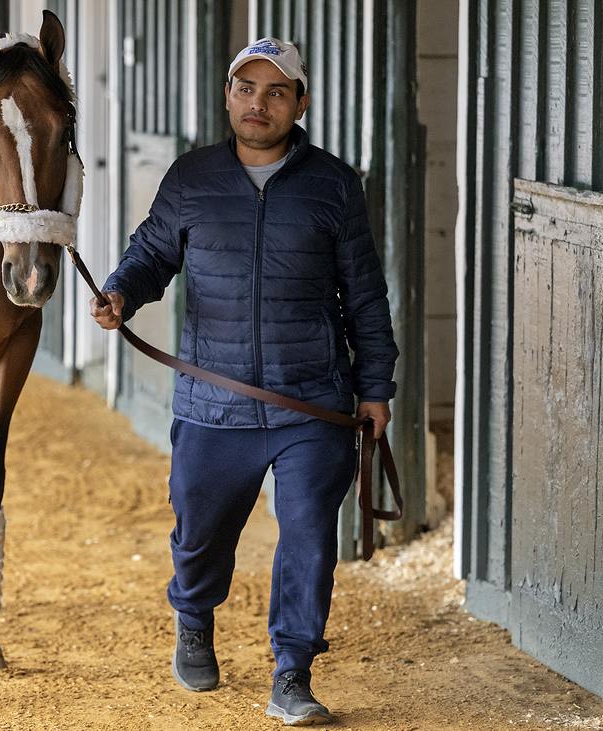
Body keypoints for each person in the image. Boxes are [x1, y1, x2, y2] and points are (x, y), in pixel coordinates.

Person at [90, 37, 398, 726]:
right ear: (228, 95)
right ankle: (194, 616)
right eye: (246, 88)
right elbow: (151, 254)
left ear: (301, 103)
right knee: (199, 534)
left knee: (311, 535)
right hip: (212, 403)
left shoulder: (334, 184)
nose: (258, 103)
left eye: (276, 91)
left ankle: (293, 671)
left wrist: (374, 386)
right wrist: (120, 294)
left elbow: (366, 297)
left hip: (310, 400)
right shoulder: (191, 178)